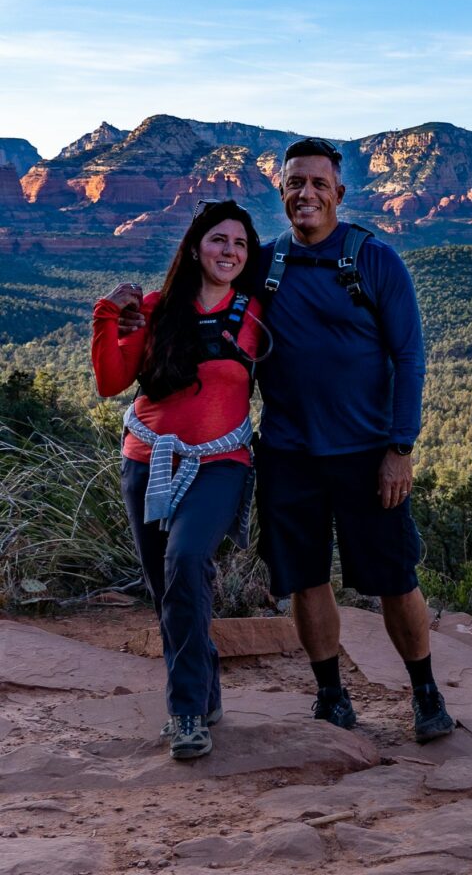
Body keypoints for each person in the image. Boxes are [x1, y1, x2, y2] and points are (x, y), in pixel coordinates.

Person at [254, 137, 453, 744]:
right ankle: (331, 697)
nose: (306, 193)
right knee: (306, 577)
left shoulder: (376, 260)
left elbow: (409, 357)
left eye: (318, 183)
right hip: (288, 454)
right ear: (281, 191)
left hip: (368, 455)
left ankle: (424, 692)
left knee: (394, 578)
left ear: (339, 193)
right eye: (295, 183)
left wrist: (401, 447)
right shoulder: (263, 265)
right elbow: (200, 304)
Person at [93, 201, 265, 761]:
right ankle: (204, 682)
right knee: (168, 589)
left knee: (186, 561)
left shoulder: (256, 312)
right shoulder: (157, 309)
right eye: (219, 241)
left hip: (220, 463)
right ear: (196, 247)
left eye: (239, 245)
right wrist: (106, 319)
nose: (229, 253)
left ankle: (186, 711)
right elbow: (111, 382)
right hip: (147, 460)